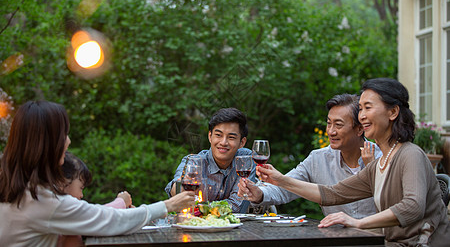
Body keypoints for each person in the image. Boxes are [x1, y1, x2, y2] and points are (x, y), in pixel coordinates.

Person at [250, 78, 449, 246]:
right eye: (360, 109)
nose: (362, 116)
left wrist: (357, 223)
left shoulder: (409, 154)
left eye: (368, 108)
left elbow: (413, 207)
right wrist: (280, 180)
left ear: (393, 112)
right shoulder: (380, 164)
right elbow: (332, 194)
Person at [0, 100, 195, 246]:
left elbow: (95, 215)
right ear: (48, 143)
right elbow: (109, 221)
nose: (68, 142)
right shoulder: (42, 201)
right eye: (64, 134)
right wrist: (168, 205)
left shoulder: (15, 188)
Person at [239, 93, 381, 218]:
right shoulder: (319, 159)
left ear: (359, 128)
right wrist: (259, 194)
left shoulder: (381, 157)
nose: (331, 131)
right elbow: (287, 187)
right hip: (334, 237)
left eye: (338, 125)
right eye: (329, 123)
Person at [165, 107, 255, 213]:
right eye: (218, 135)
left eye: (231, 137)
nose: (223, 142)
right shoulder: (194, 162)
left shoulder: (245, 160)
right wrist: (181, 186)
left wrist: (201, 208)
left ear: (242, 142)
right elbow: (175, 190)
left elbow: (237, 206)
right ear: (210, 136)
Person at [58, 152, 134, 247]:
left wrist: (127, 212)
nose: (81, 195)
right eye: (81, 188)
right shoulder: (60, 210)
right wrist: (121, 202)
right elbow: (94, 217)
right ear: (63, 182)